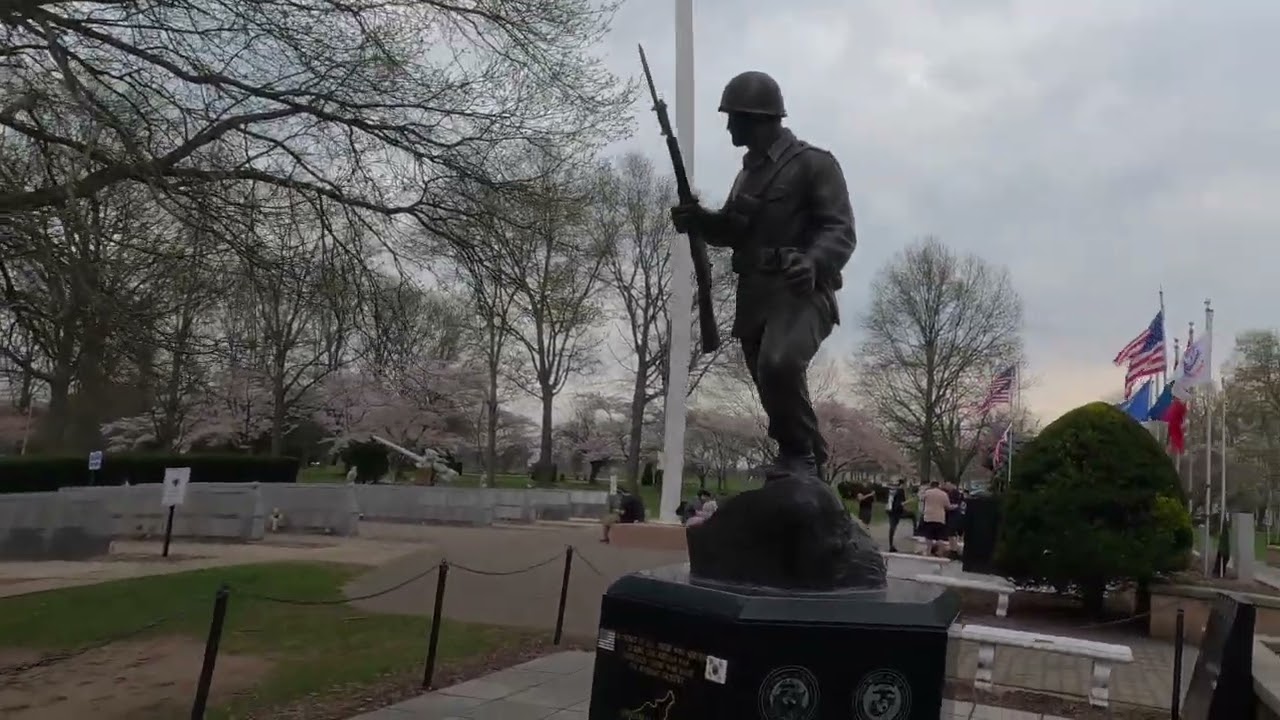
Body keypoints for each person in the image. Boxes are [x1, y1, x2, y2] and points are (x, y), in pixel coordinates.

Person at [670, 70, 856, 482]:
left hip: (799, 290)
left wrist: (813, 261)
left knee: (780, 363)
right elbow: (736, 232)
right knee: (769, 383)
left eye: (733, 117)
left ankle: (800, 455)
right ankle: (806, 454)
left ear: (757, 118)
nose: (728, 125)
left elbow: (839, 229)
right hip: (755, 296)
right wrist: (698, 220)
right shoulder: (746, 175)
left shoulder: (813, 164)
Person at [919, 480, 955, 557]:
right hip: (940, 518)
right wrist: (955, 506)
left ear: (931, 486)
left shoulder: (927, 492)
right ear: (938, 486)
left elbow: (921, 499)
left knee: (928, 536)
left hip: (928, 516)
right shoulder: (944, 494)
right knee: (940, 537)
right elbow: (948, 506)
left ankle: (928, 551)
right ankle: (940, 552)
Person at [887, 480, 907, 552]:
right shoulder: (901, 491)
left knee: (892, 528)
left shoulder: (893, 491)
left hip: (890, 510)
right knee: (893, 528)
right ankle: (891, 546)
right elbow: (900, 503)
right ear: (903, 484)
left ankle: (891, 545)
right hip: (896, 511)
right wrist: (906, 504)